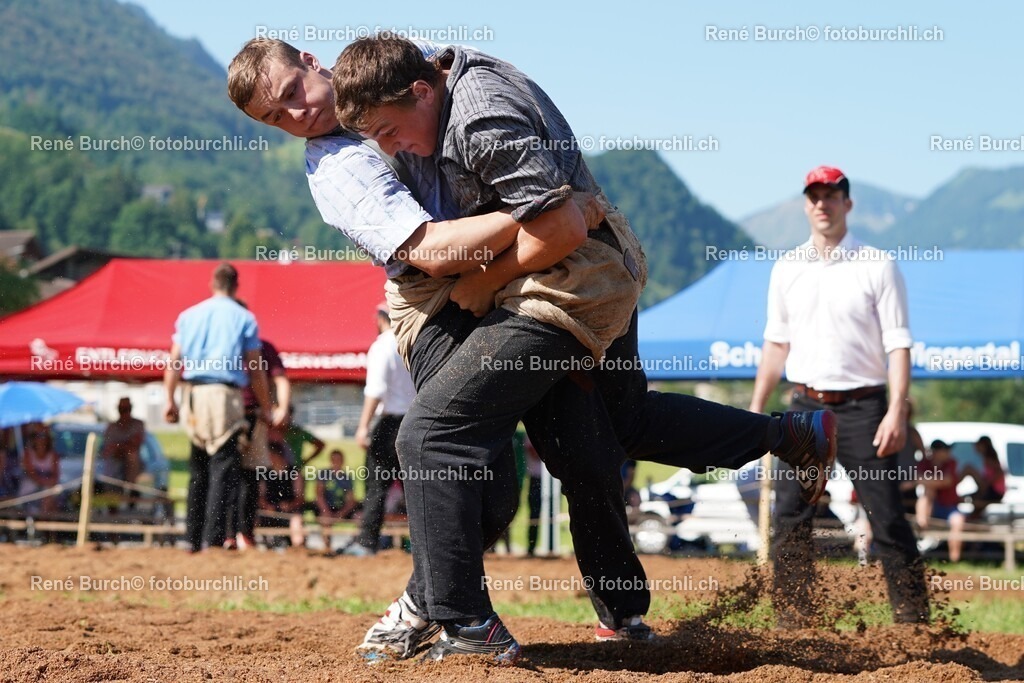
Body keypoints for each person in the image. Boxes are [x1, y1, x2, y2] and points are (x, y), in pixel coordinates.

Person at [229, 37, 834, 662]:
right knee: (552, 442)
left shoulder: (431, 86)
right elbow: (436, 252)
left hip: (559, 271)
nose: (295, 116)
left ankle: (523, 612)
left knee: (567, 439)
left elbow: (544, 210)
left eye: (292, 95)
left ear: (310, 61)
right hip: (454, 296)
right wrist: (542, 215)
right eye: (276, 118)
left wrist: (541, 227)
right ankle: (460, 605)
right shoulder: (338, 163)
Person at [750, 165, 929, 626]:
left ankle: (913, 622)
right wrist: (755, 409)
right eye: (814, 196)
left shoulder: (877, 263)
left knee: (886, 516)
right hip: (804, 406)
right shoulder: (787, 266)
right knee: (790, 515)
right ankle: (792, 618)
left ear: (848, 203)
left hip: (865, 407)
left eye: (831, 196)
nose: (822, 204)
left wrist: (896, 409)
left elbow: (899, 343)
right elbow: (775, 344)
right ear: (805, 204)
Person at [164, 263, 272, 553]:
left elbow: (174, 361)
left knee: (198, 469)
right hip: (224, 396)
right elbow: (255, 367)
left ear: (212, 283)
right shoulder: (243, 317)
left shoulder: (189, 316)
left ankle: (190, 537)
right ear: (236, 286)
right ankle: (213, 539)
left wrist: (169, 399)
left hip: (193, 394)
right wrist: (266, 405)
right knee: (222, 469)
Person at [343, 304, 415, 556]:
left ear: (380, 318)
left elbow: (375, 390)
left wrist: (363, 427)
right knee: (418, 488)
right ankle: (426, 544)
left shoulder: (382, 346)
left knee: (377, 486)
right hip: (416, 422)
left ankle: (367, 542)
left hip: (389, 424)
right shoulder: (415, 340)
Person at [229, 336, 291, 551]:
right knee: (246, 476)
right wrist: (271, 408)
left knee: (238, 475)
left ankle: (233, 534)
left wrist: (278, 408)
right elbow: (268, 377)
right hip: (251, 414)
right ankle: (240, 534)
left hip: (243, 415)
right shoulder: (257, 345)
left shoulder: (223, 343)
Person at [915, 439, 966, 562]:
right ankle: (924, 536)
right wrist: (936, 481)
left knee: (958, 521)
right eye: (945, 450)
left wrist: (928, 481)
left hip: (948, 506)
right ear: (936, 452)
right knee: (927, 494)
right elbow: (917, 478)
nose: (949, 452)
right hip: (930, 508)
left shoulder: (951, 463)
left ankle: (954, 561)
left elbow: (946, 481)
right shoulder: (924, 463)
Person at [258, 441, 306, 548]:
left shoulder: (294, 473)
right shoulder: (264, 473)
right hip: (268, 512)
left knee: (296, 521)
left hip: (289, 512)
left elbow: (300, 498)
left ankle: (298, 548)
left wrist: (290, 505)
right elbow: (260, 496)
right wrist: (267, 506)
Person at [316, 448, 359, 551]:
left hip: (341, 508)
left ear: (343, 461)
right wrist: (326, 511)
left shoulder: (347, 478)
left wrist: (342, 513)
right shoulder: (323, 474)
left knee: (359, 518)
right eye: (334, 459)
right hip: (327, 508)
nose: (336, 462)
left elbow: (351, 500)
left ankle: (356, 544)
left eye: (339, 459)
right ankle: (327, 546)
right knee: (325, 519)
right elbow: (319, 495)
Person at [100, 397, 144, 489]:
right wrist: (121, 447)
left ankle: (131, 488)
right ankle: (110, 488)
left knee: (132, 456)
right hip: (114, 461)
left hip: (133, 464)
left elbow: (135, 444)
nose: (124, 412)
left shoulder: (137, 424)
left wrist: (120, 447)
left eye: (126, 409)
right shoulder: (112, 427)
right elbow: (108, 448)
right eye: (122, 409)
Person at [19, 426, 61, 515]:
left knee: (50, 496)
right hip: (30, 489)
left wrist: (48, 484)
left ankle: (44, 522)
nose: (40, 439)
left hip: (46, 489)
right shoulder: (27, 454)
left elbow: (55, 477)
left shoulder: (53, 455)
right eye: (37, 436)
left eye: (43, 435)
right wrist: (46, 483)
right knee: (47, 494)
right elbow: (31, 474)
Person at [962, 436, 1006, 520]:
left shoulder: (989, 458)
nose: (975, 447)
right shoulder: (988, 457)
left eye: (978, 445)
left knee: (969, 469)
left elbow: (999, 472)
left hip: (995, 491)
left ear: (983, 445)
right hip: (992, 490)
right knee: (975, 505)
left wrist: (987, 483)